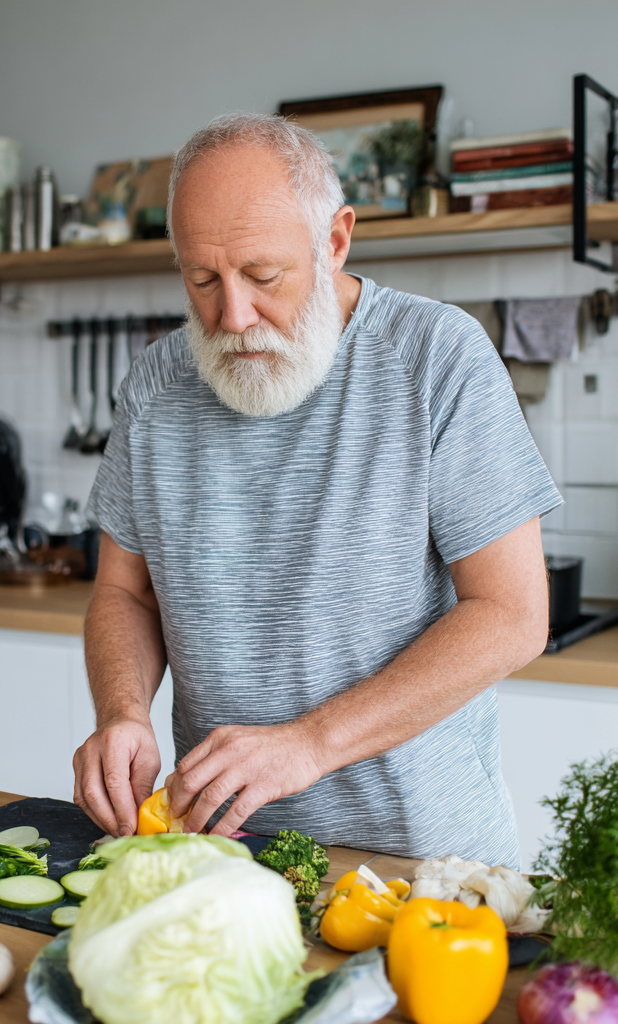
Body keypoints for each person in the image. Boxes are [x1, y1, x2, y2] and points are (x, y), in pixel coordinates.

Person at [74, 112, 560, 864]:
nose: (233, 317)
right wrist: (122, 711)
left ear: (334, 241)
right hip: (223, 857)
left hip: (421, 868)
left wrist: (311, 743)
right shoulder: (155, 385)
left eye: (263, 276)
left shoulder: (437, 358)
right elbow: (124, 593)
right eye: (202, 280)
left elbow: (513, 614)